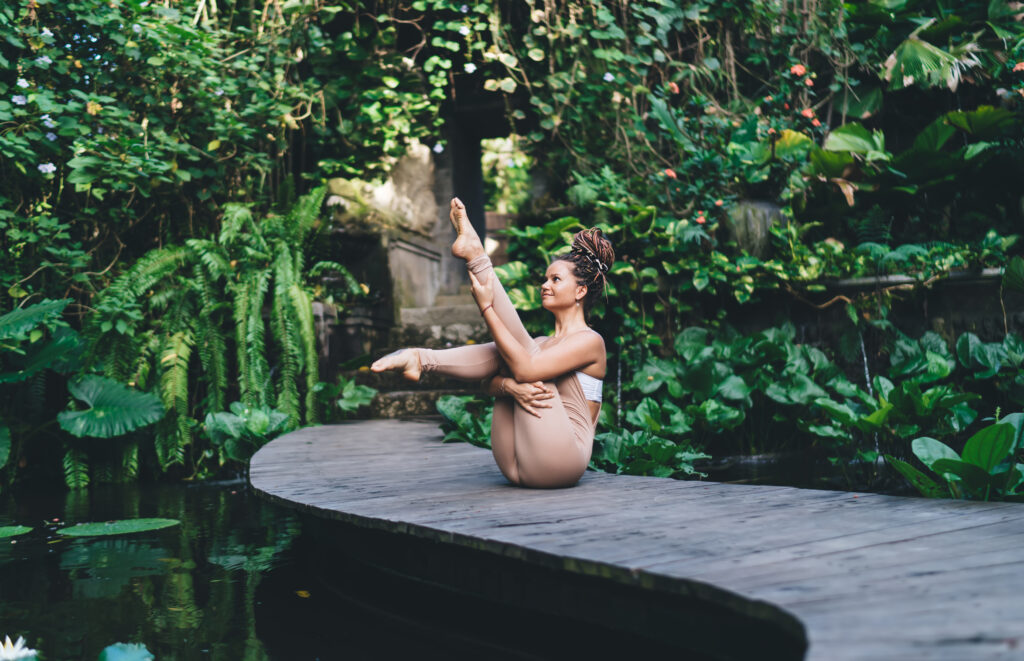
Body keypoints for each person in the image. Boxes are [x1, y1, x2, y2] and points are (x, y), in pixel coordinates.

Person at [371, 198, 614, 488]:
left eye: (556, 279)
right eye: (546, 278)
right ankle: (420, 359)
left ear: (580, 291)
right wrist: (510, 388)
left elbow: (527, 369)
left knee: (519, 356)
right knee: (510, 354)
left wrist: (487, 309)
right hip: (515, 462)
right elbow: (489, 384)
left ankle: (476, 257)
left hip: (563, 461)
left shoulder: (590, 341)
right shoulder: (539, 343)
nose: (545, 285)